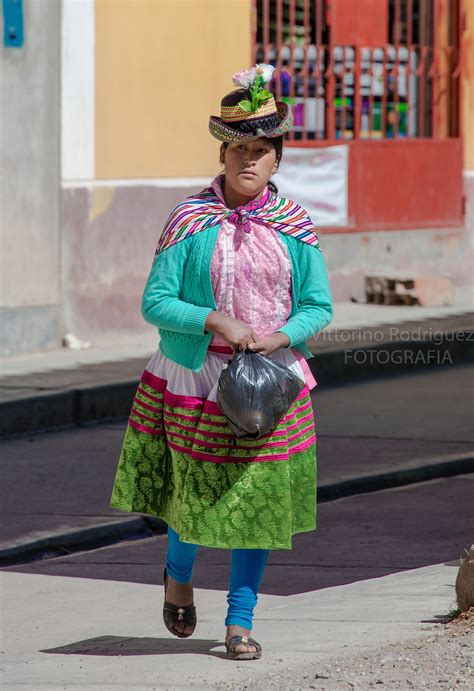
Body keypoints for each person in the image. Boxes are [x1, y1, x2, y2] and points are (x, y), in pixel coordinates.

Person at [109, 64, 334, 661]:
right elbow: (155, 301)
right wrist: (214, 320)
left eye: (261, 150)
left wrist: (281, 334)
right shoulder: (189, 222)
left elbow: (318, 306)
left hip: (274, 382)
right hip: (198, 379)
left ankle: (240, 621)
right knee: (198, 494)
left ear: (278, 160)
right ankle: (178, 572)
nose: (249, 160)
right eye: (239, 148)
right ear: (223, 152)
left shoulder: (296, 227)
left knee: (257, 501)